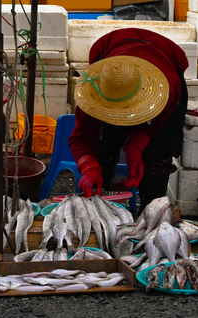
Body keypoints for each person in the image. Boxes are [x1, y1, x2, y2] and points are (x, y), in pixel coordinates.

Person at [68, 27, 189, 208]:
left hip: (165, 60)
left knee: (160, 150)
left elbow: (158, 121)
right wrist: (89, 167)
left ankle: (152, 209)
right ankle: (100, 202)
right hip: (114, 49)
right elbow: (81, 136)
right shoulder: (92, 90)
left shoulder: (169, 87)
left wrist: (136, 145)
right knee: (105, 141)